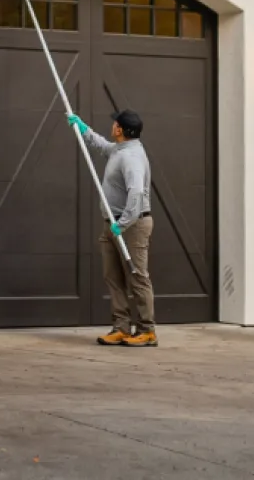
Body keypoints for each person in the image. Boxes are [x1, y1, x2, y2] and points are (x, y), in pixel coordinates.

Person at [74, 108, 155, 347]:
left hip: (132, 225)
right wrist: (82, 128)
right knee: (114, 278)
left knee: (137, 278)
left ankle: (147, 330)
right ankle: (121, 327)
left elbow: (137, 193)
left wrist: (123, 223)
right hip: (114, 223)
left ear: (120, 129)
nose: (112, 126)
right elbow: (102, 146)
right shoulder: (120, 149)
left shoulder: (132, 157)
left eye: (115, 124)